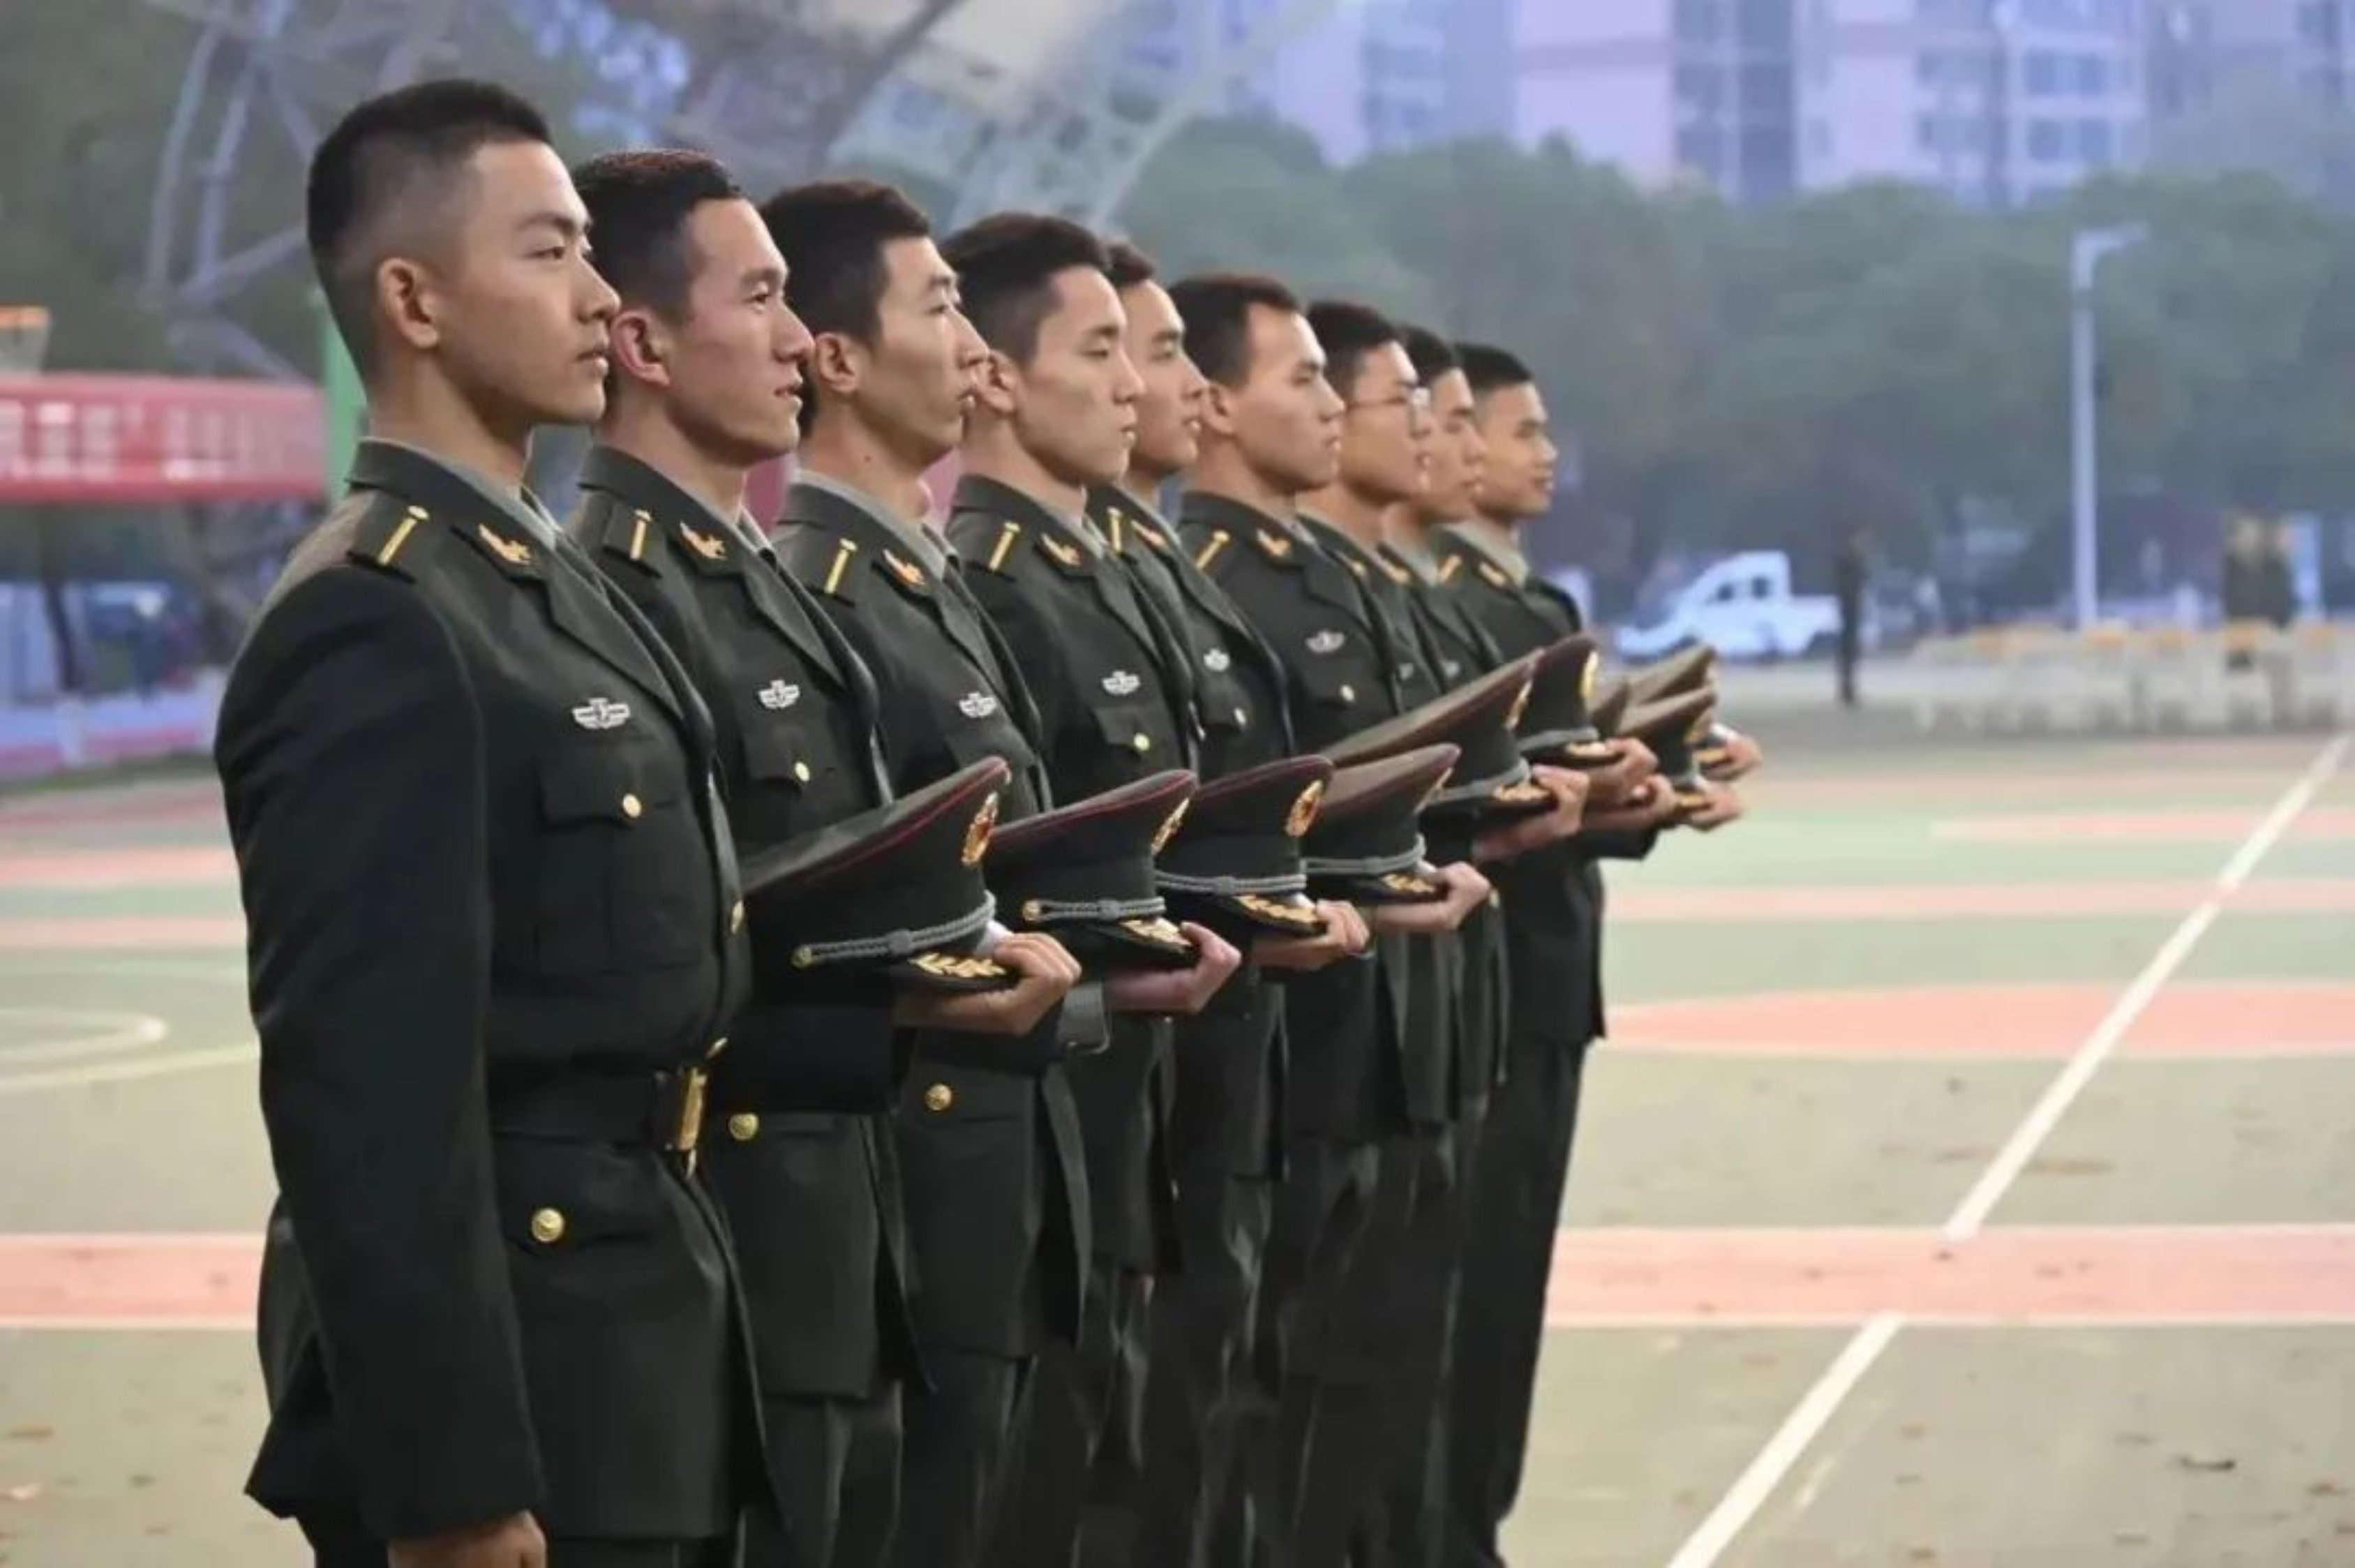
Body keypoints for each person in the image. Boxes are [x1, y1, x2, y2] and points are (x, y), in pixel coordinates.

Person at [217, 80, 752, 1568]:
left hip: (636, 1338)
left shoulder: (541, 580)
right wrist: (448, 1481)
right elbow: (367, 1096)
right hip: (524, 1380)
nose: (600, 297)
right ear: (414, 300)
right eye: (550, 252)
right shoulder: (376, 617)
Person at [560, 150, 1086, 1568]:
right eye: (762, 299)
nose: (797, 339)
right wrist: (918, 1000)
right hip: (746, 1245)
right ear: (644, 340)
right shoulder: (619, 594)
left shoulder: (765, 584)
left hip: (858, 1241)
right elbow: (682, 956)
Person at [761, 180, 1234, 1568]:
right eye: (941, 312)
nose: (969, 350)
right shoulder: (834, 591)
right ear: (837, 357)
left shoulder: (930, 582)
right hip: (935, 1179)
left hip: (1041, 1160)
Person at [932, 210, 1246, 1568]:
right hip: (1041, 1136)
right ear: (998, 375)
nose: (1139, 386)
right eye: (1103, 349)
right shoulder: (995, 587)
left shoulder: (1095, 574)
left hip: (1134, 1115)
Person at [1168, 272, 1491, 1568]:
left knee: (1364, 1395)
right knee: (1263, 1415)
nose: (1340, 410)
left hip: (1378, 1037)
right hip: (1283, 1061)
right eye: (1304, 380)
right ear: (1221, 404)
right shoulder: (1219, 580)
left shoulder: (1331, 575)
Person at [1092, 240, 1368, 1568]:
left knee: (1249, 1438)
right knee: (1144, 1476)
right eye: (1135, 353)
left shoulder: (1163, 579)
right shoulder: (1044, 588)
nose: (1184, 392)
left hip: (1235, 1081)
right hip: (1129, 1116)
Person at [1425, 343, 1685, 1568]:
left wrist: (1644, 788)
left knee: (1497, 1304)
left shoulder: (1521, 602)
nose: (1542, 454)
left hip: (1525, 982)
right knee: (1452, 1316)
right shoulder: (1454, 602)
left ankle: (1471, 1529)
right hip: (1475, 982)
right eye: (1516, 430)